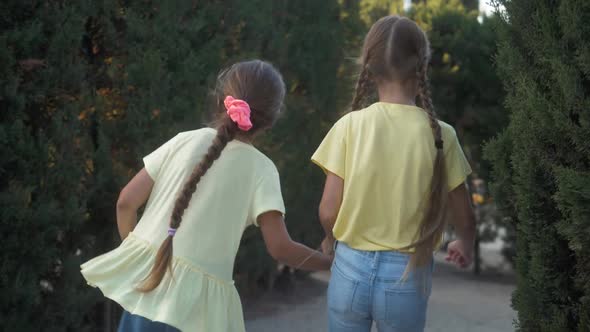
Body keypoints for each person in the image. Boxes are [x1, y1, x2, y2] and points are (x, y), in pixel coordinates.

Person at [81, 60, 333, 332]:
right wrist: (328, 262)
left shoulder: (184, 140)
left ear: (223, 99)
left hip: (147, 290)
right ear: (271, 119)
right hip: (198, 312)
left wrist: (138, 258)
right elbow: (280, 247)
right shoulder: (262, 170)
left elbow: (125, 202)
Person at [312, 16, 476, 332]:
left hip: (349, 270)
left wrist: (330, 239)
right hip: (407, 275)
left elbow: (328, 210)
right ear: (422, 66)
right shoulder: (442, 135)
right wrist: (465, 243)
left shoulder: (349, 126)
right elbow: (465, 216)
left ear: (369, 68)